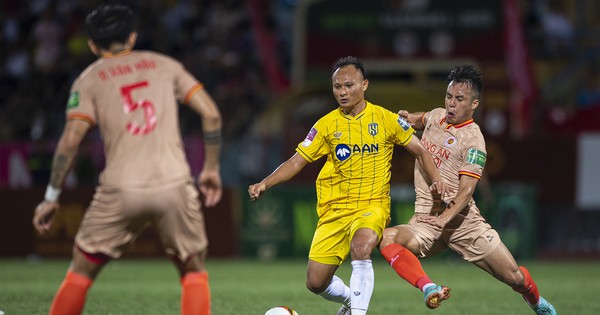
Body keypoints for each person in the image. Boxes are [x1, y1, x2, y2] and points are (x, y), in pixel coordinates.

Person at [32, 5, 222, 315]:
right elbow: (212, 114)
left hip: (120, 189)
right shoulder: (166, 66)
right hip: (173, 184)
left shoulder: (88, 80)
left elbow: (70, 142)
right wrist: (211, 169)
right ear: (132, 37)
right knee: (192, 270)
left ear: (93, 45)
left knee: (81, 271)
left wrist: (51, 197)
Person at [248, 56, 446, 315]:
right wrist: (266, 182)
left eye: (349, 85)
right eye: (337, 87)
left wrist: (437, 180)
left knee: (362, 246)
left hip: (372, 205)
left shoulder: (385, 119)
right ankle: (352, 302)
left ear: (364, 84)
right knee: (316, 282)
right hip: (334, 210)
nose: (342, 92)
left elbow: (420, 150)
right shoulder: (326, 125)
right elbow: (297, 162)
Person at [379, 65, 557, 314]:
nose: (451, 104)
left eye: (459, 99)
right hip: (427, 219)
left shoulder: (474, 142)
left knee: (514, 277)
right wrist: (406, 118)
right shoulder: (437, 116)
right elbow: (422, 119)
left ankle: (537, 303)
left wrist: (443, 219)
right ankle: (429, 288)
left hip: (463, 223)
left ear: (474, 104)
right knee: (387, 238)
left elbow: (466, 192)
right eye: (449, 97)